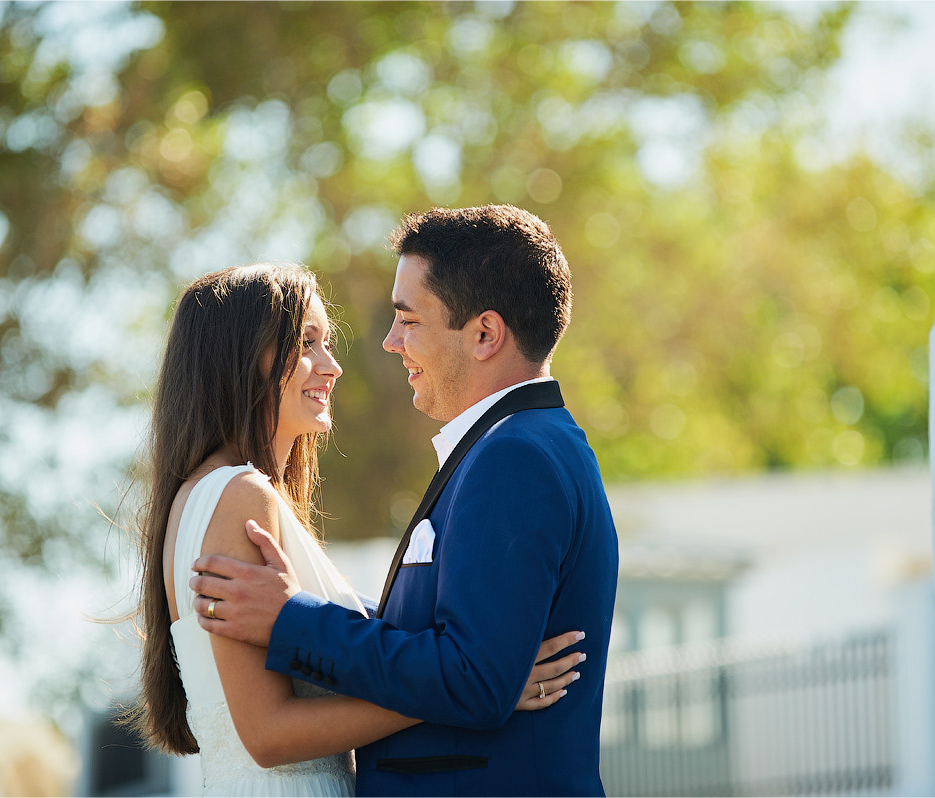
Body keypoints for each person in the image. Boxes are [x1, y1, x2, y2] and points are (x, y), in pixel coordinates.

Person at [190, 206, 620, 796]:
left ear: (485, 334)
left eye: (408, 320)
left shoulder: (515, 458)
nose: (391, 343)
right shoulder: (515, 448)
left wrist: (294, 620)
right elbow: (460, 642)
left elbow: (474, 679)